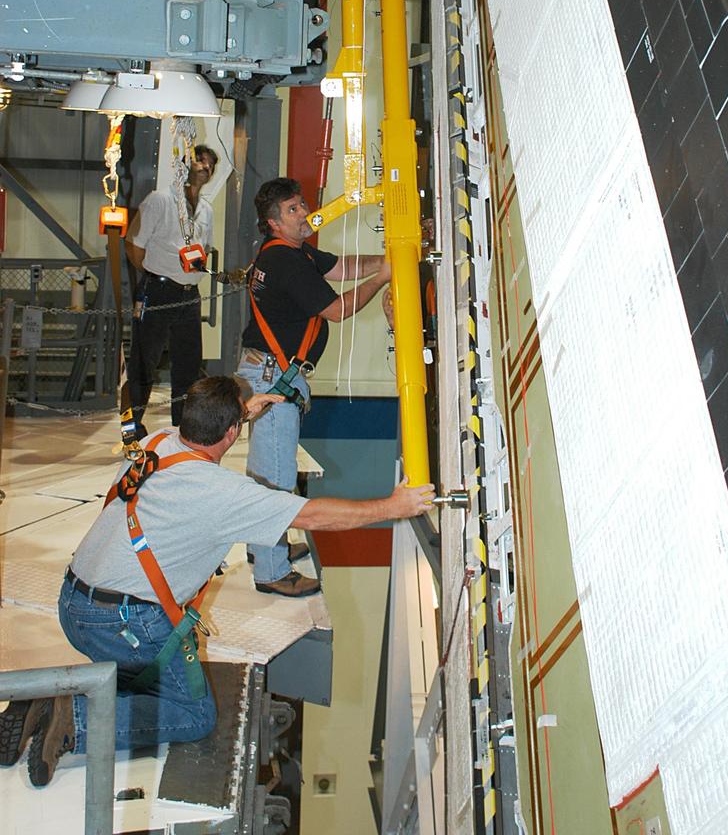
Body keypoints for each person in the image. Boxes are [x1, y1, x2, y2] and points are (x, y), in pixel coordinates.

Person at [0, 376, 434, 787]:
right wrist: (392, 507)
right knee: (193, 716)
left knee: (143, 678)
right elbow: (313, 515)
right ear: (231, 433)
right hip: (120, 624)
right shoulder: (224, 492)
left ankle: (43, 700)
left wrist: (242, 411)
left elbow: (211, 424)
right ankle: (74, 716)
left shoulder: (158, 443)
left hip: (71, 605)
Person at [237, 177, 391, 598]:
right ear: (273, 223)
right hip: (274, 378)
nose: (304, 212)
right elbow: (337, 309)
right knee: (277, 479)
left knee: (266, 474)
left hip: (269, 373)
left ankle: (264, 546)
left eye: (301, 203)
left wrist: (387, 259)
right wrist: (384, 279)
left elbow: (341, 267)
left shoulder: (292, 251)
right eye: (292, 209)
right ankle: (271, 571)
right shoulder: (286, 261)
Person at [126, 145, 219, 431]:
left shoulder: (206, 210)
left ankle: (183, 429)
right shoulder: (159, 200)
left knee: (189, 368)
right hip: (158, 290)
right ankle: (130, 428)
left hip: (189, 296)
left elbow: (202, 249)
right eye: (200, 161)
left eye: (210, 165)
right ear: (183, 166)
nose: (205, 167)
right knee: (143, 363)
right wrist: (155, 275)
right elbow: (133, 244)